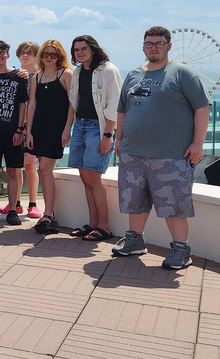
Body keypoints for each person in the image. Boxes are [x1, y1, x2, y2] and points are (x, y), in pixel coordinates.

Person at [113, 26, 211, 270]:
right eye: (149, 43)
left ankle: (181, 250)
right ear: (143, 46)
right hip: (133, 152)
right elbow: (123, 109)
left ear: (169, 45)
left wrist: (198, 142)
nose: (153, 47)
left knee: (175, 204)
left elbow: (202, 107)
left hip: (171, 154)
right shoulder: (134, 73)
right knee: (133, 200)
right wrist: (119, 139)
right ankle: (135, 240)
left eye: (158, 43)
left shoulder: (183, 73)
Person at [67, 35, 122, 241]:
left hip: (97, 129)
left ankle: (104, 227)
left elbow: (114, 104)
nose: (80, 52)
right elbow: (74, 101)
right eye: (76, 50)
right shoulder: (79, 71)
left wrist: (107, 135)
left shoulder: (108, 70)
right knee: (85, 178)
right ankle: (92, 224)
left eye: (83, 48)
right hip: (80, 126)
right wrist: (68, 129)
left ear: (93, 49)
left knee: (92, 178)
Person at [25, 40, 73, 235]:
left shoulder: (66, 74)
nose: (49, 57)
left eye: (53, 54)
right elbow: (32, 105)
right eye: (46, 54)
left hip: (56, 129)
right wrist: (28, 132)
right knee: (41, 169)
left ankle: (49, 214)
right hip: (38, 129)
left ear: (60, 56)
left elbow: (72, 104)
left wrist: (66, 129)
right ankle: (48, 214)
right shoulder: (37, 77)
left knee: (45, 169)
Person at [0, 40, 30, 225]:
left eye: (3, 52)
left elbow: (22, 104)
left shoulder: (18, 76)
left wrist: (20, 129)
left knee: (13, 170)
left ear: (8, 55)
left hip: (12, 132)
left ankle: (12, 210)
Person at [9, 41, 41, 218]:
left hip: (32, 128)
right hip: (14, 126)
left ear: (36, 56)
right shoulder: (13, 74)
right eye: (22, 53)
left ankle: (33, 203)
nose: (25, 56)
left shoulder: (41, 75)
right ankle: (16, 203)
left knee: (30, 165)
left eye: (29, 53)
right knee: (14, 167)